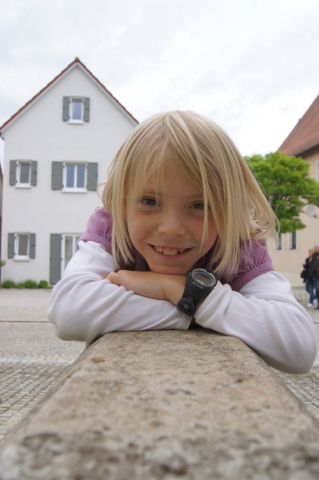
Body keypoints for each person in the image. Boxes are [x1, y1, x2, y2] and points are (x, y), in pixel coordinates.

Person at [48, 111, 317, 374]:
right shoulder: (112, 227)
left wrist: (178, 290)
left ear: (228, 211)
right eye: (150, 201)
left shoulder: (239, 248)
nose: (172, 228)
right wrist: (190, 309)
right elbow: (69, 311)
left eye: (200, 205)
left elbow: (300, 347)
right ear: (122, 202)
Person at [311, 243, 319, 309]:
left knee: (318, 289)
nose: (315, 249)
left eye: (316, 247)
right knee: (317, 290)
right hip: (315, 275)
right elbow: (312, 264)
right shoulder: (314, 254)